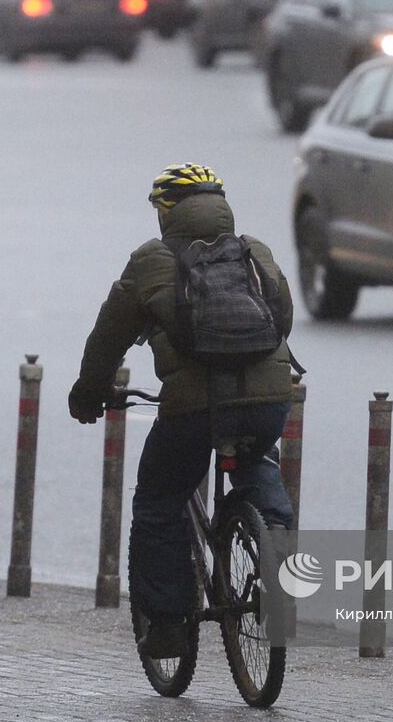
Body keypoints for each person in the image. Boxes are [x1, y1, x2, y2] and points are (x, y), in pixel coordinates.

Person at [69, 164, 297, 659]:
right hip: (268, 404)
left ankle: (170, 624)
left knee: (159, 501)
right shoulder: (256, 252)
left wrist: (89, 394)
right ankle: (275, 550)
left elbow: (109, 337)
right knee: (256, 463)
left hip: (195, 412)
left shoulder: (152, 260)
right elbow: (283, 317)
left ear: (166, 211)